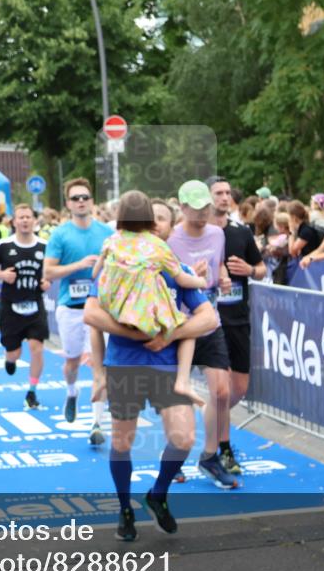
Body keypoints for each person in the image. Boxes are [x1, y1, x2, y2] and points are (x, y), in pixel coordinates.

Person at [84, 226, 219, 540]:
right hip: (124, 365)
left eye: (157, 227)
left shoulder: (177, 270)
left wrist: (168, 334)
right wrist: (101, 372)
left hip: (166, 367)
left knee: (184, 438)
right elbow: (91, 316)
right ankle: (124, 509)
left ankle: (157, 494)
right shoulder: (114, 269)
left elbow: (208, 318)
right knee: (122, 442)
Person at [92, 190, 207, 408]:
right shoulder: (157, 246)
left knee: (95, 324)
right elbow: (182, 279)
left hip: (116, 309)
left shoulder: (112, 240)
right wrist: (201, 281)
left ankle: (99, 375)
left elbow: (96, 269)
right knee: (186, 325)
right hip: (145, 313)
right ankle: (183, 381)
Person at [166, 182, 240, 488]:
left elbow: (218, 265)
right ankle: (174, 452)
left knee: (222, 392)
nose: (201, 213)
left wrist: (221, 278)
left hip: (211, 321)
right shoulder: (171, 240)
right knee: (175, 397)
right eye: (195, 208)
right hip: (182, 325)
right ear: (182, 207)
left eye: (205, 207)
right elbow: (167, 283)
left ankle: (210, 455)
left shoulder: (217, 233)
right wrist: (189, 278)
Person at [43, 177, 114, 438]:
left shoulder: (107, 232)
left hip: (100, 308)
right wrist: (79, 264)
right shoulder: (60, 234)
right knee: (72, 361)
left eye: (85, 197)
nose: (81, 201)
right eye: (76, 198)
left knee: (99, 364)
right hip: (71, 307)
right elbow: (48, 271)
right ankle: (72, 391)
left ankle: (97, 423)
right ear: (68, 204)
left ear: (92, 201)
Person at [206, 176, 267, 473]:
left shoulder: (241, 232)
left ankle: (211, 419)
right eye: (218, 192)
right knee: (221, 389)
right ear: (206, 197)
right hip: (210, 323)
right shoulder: (199, 235)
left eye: (228, 192)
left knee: (238, 389)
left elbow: (263, 269)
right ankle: (224, 448)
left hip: (239, 318)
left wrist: (250, 269)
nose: (224, 197)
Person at [0, 204, 51, 410]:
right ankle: (9, 359)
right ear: (14, 222)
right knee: (15, 353)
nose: (24, 221)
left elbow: (52, 271)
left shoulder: (44, 246)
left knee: (37, 348)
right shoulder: (4, 245)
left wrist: (48, 281)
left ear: (34, 221)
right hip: (11, 307)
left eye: (28, 217)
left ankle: (32, 392)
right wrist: (2, 275)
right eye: (20, 217)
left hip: (35, 305)